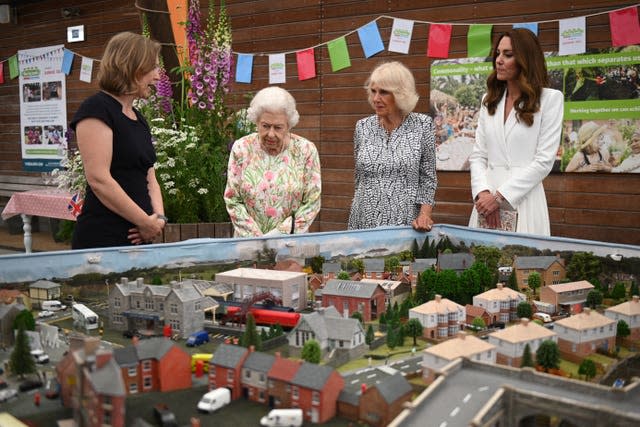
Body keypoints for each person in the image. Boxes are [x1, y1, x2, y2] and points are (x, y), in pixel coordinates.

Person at [70, 32, 166, 249]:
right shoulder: (96, 109)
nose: (158, 77)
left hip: (142, 237)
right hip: (104, 238)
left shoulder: (139, 118)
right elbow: (99, 179)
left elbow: (150, 177)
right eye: (153, 68)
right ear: (133, 68)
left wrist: (158, 219)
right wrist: (144, 221)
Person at [469, 28, 564, 236]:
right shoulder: (488, 100)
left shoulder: (550, 99)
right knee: (482, 263)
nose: (499, 60)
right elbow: (478, 155)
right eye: (498, 54)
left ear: (526, 59)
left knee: (523, 265)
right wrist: (483, 193)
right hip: (485, 203)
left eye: (508, 55)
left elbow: (544, 161)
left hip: (524, 200)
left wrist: (499, 198)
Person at [347, 61, 437, 231]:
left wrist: (425, 214)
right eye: (373, 91)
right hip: (362, 221)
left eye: (383, 92)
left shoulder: (423, 125)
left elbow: (428, 179)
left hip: (405, 224)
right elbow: (359, 178)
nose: (375, 99)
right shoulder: (362, 127)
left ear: (401, 93)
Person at [224, 86, 321, 237]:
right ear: (256, 121)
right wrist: (257, 239)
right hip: (247, 243)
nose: (271, 133)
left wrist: (280, 234)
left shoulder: (306, 150)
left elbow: (312, 201)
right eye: (265, 126)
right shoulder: (241, 148)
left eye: (278, 127)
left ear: (289, 125)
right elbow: (232, 199)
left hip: (291, 243)